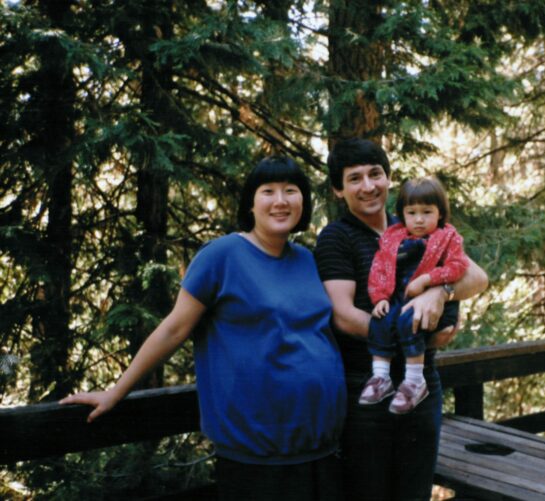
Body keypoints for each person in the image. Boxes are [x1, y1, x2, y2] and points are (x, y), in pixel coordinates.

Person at [61, 156, 347, 501]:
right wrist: (116, 392)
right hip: (257, 454)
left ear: (304, 201)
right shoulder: (222, 255)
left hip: (321, 448)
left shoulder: (306, 259)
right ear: (251, 204)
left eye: (291, 190)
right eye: (268, 191)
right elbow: (174, 329)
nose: (281, 200)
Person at [314, 138, 488, 501]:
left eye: (375, 174)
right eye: (354, 178)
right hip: (365, 391)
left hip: (423, 386)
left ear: (388, 177)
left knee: (414, 492)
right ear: (337, 189)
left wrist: (438, 292)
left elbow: (477, 278)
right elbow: (344, 317)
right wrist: (414, 338)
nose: (368, 186)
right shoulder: (336, 238)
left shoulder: (414, 223)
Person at [361, 177, 469, 415]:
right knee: (381, 320)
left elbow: (458, 266)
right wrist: (379, 297)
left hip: (434, 300)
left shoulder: (447, 236)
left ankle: (414, 381)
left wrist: (428, 280)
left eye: (427, 212)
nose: (419, 219)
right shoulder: (393, 238)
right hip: (398, 296)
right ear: (402, 214)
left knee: (410, 320)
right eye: (412, 212)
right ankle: (380, 377)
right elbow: (379, 267)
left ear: (440, 213)